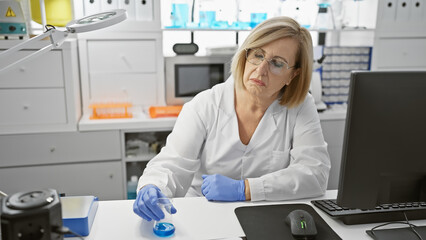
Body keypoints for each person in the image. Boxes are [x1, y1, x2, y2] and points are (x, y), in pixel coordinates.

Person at [133, 16, 331, 222]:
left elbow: (315, 174)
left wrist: (245, 188)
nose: (260, 70)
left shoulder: (300, 107)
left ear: (294, 75)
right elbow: (172, 164)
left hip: (266, 217)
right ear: (245, 56)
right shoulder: (205, 104)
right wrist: (152, 187)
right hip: (204, 215)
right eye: (258, 55)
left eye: (277, 63)